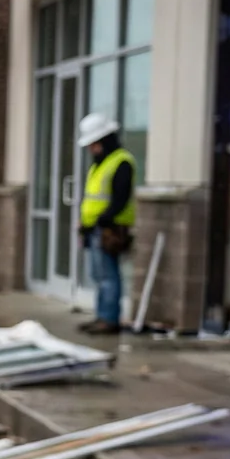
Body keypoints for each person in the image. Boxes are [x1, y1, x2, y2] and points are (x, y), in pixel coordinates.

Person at [76, 113, 135, 334]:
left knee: (108, 275)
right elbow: (94, 199)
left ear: (104, 140)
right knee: (99, 275)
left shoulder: (121, 162)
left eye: (93, 144)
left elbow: (120, 198)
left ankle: (110, 319)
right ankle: (102, 315)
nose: (91, 149)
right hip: (95, 229)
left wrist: (102, 221)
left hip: (109, 229)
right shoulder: (99, 165)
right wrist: (85, 224)